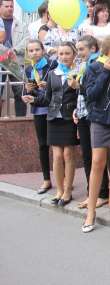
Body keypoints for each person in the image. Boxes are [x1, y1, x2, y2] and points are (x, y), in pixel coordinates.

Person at [23, 42, 80, 206]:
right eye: (61, 54)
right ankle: (59, 191)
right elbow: (48, 98)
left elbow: (81, 96)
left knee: (68, 155)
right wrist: (33, 99)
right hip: (54, 118)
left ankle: (67, 191)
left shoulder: (78, 73)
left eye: (67, 53)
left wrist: (77, 88)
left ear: (74, 55)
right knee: (57, 156)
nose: (64, 57)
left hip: (69, 118)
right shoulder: (52, 74)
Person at [81, 34, 110, 232]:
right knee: (97, 163)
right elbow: (91, 94)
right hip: (99, 119)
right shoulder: (94, 67)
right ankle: (91, 211)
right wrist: (106, 72)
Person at [73, 35, 110, 210]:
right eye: (77, 50)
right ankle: (92, 193)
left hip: (92, 115)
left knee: (96, 159)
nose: (79, 53)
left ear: (93, 49)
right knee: (88, 156)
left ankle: (101, 193)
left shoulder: (96, 65)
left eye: (82, 49)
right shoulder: (84, 65)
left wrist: (77, 87)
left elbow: (92, 91)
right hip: (82, 114)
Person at [23, 39, 56, 194]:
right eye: (31, 51)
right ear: (27, 53)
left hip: (52, 109)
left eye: (37, 49)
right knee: (43, 145)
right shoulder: (28, 69)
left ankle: (63, 179)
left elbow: (59, 86)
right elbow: (27, 93)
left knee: (57, 146)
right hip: (38, 110)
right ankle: (46, 179)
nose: (34, 53)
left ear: (43, 50)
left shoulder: (52, 65)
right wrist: (28, 91)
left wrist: (48, 85)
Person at [0, 0, 30, 117]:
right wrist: (4, 50)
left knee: (20, 92)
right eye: (6, 6)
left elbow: (27, 40)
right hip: (0, 61)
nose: (9, 9)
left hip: (16, 62)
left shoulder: (22, 25)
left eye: (11, 6)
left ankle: (21, 120)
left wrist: (15, 50)